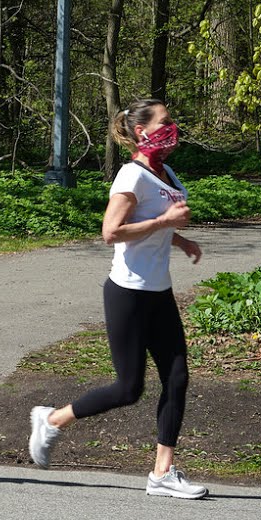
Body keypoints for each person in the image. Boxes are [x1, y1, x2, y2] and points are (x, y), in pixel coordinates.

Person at [27, 97, 207, 498]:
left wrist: (179, 239)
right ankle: (53, 420)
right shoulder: (132, 176)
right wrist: (166, 222)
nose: (172, 126)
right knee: (129, 389)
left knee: (177, 378)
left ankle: (163, 473)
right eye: (165, 121)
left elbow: (152, 224)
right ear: (142, 131)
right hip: (128, 293)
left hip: (160, 293)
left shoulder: (166, 172)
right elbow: (111, 231)